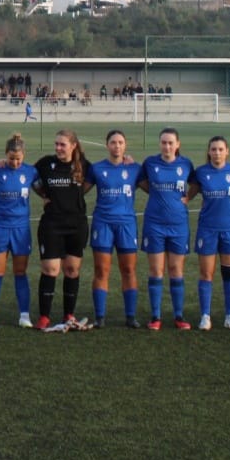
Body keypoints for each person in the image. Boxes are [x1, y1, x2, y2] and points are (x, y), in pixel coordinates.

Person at [32, 130, 91, 331]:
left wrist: (126, 160)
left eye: (62, 144)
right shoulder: (45, 163)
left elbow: (99, 177)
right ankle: (44, 317)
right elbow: (26, 175)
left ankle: (69, 314)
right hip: (51, 225)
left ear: (73, 145)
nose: (58, 148)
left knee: (72, 270)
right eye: (56, 144)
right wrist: (4, 162)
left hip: (76, 225)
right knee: (50, 270)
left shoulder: (83, 165)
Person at [0, 134, 37, 328]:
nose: (15, 162)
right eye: (11, 158)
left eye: (18, 158)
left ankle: (24, 316)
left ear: (24, 155)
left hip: (21, 229)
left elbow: (44, 182)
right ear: (6, 155)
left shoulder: (30, 172)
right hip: (0, 228)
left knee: (20, 271)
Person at [138, 128, 194, 330]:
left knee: (176, 269)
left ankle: (179, 316)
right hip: (155, 224)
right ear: (159, 143)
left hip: (178, 225)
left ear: (178, 144)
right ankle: (156, 316)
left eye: (171, 143)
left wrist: (188, 197)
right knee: (156, 270)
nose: (167, 146)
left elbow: (196, 183)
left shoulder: (186, 164)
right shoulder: (150, 163)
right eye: (164, 142)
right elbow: (141, 181)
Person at [187, 136, 230, 330]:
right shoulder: (201, 173)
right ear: (209, 152)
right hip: (207, 229)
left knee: (229, 274)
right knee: (206, 274)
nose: (217, 153)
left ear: (227, 151)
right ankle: (205, 316)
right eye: (213, 149)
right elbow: (189, 194)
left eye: (220, 149)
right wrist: (182, 200)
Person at [87, 130, 141, 328]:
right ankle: (100, 316)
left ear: (125, 145)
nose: (117, 146)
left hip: (126, 224)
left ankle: (130, 316)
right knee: (101, 270)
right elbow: (80, 189)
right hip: (103, 223)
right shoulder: (97, 168)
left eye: (120, 142)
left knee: (128, 269)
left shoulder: (135, 168)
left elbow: (154, 187)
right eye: (113, 142)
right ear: (107, 145)